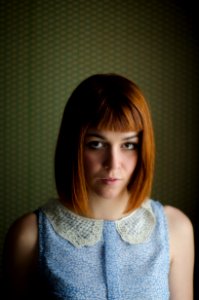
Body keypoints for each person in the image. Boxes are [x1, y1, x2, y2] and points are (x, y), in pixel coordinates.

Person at [3, 73, 194, 299]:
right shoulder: (29, 235)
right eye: (96, 144)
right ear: (73, 145)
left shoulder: (175, 229)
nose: (113, 164)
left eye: (128, 145)